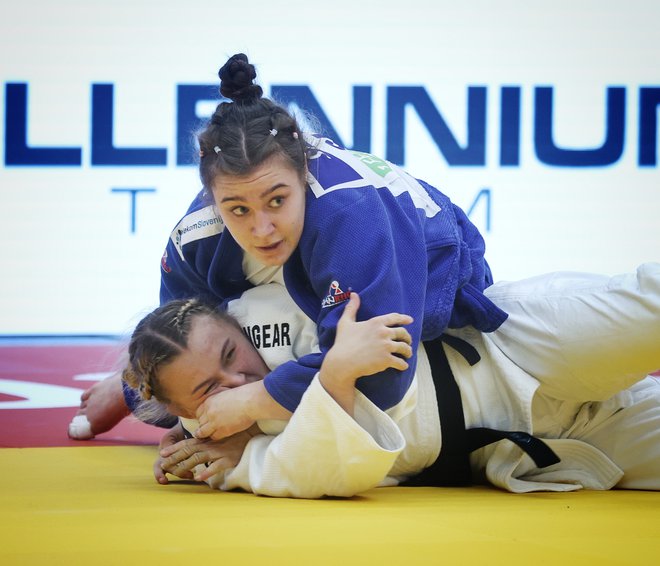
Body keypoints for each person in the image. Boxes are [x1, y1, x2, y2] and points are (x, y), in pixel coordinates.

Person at [69, 53, 660, 488]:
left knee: (648, 307)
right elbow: (175, 341)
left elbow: (380, 377)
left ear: (304, 170)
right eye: (238, 209)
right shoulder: (195, 241)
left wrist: (249, 409)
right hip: (526, 446)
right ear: (211, 200)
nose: (262, 228)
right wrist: (137, 392)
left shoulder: (348, 215)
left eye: (277, 200)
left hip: (488, 330)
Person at [123, 279, 660, 498]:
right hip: (557, 443)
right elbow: (331, 474)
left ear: (234, 325)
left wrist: (263, 405)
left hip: (516, 345)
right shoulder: (219, 449)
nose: (238, 380)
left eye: (229, 356)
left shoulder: (285, 298)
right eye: (209, 390)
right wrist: (329, 379)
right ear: (184, 414)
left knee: (650, 312)